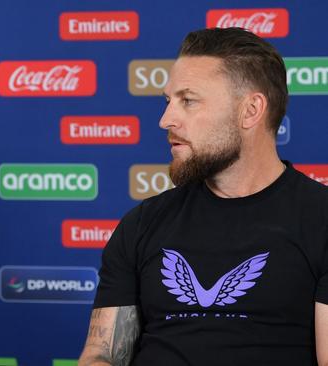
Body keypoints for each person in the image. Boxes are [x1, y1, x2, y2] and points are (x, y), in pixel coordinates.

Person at [78, 27, 328, 365]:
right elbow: (101, 356)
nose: (166, 120)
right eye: (168, 101)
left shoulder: (320, 220)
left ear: (251, 110)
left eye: (188, 100)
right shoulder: (141, 224)